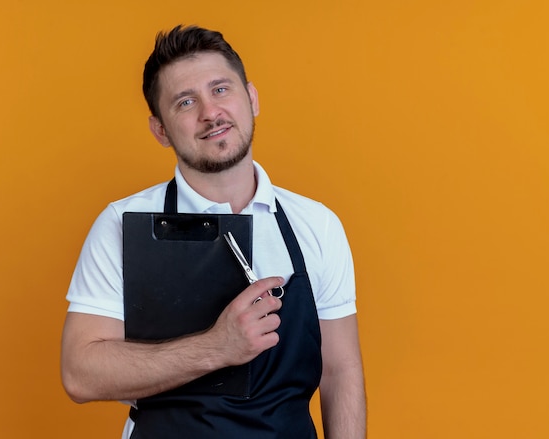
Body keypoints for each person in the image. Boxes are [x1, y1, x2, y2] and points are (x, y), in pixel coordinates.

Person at [61, 25, 366, 438]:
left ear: (251, 98)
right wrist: (216, 347)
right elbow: (81, 374)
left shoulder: (316, 224)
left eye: (221, 90)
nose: (210, 112)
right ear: (161, 130)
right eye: (186, 102)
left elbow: (340, 371)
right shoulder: (120, 223)